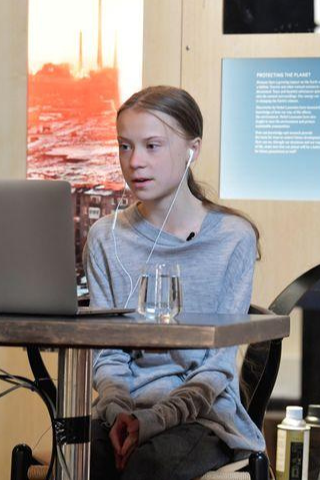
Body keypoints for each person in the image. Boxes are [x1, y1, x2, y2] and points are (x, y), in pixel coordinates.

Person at [83, 85, 265, 480]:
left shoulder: (233, 237)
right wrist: (120, 413)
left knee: (148, 466)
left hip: (203, 416)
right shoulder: (105, 237)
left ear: (191, 150)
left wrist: (154, 421)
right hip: (122, 412)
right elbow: (108, 356)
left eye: (152, 146)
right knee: (83, 463)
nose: (135, 162)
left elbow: (217, 366)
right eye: (125, 147)